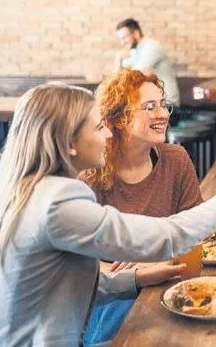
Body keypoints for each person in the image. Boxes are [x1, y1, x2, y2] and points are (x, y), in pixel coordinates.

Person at [0, 84, 216, 346]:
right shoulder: (58, 200)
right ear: (70, 144)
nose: (106, 136)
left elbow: (63, 283)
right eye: (98, 127)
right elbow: (166, 236)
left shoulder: (28, 190)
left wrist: (136, 278)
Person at [80, 69, 204, 345]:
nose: (163, 114)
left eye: (163, 104)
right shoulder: (90, 173)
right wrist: (132, 273)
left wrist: (155, 259)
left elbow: (198, 234)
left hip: (171, 288)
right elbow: (76, 265)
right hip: (109, 302)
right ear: (119, 118)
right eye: (150, 107)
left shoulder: (176, 159)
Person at [114, 18, 181, 108]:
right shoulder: (135, 50)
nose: (122, 42)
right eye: (120, 39)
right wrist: (118, 60)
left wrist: (118, 58)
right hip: (153, 104)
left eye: (125, 37)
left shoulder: (152, 47)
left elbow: (134, 75)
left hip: (167, 105)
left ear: (136, 33)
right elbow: (119, 77)